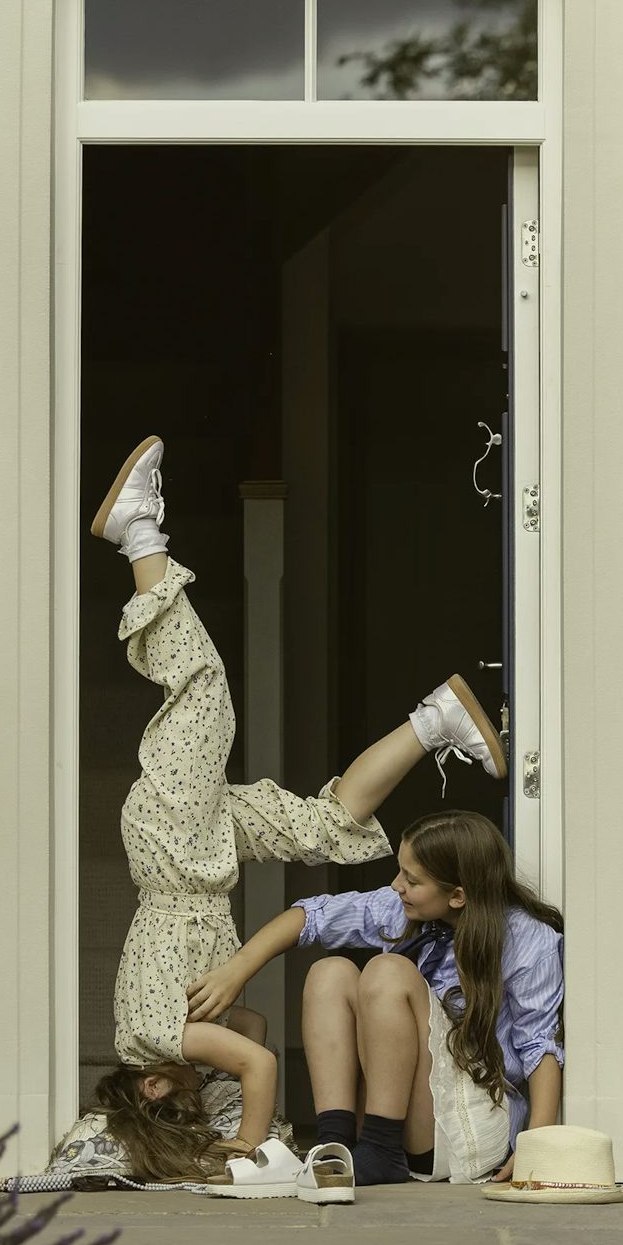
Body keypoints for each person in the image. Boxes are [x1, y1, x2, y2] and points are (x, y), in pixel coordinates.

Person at [85, 434, 509, 1188]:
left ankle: (138, 532)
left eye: (185, 1102)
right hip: (197, 856)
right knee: (325, 825)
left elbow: (256, 1063)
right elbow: (250, 1030)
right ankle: (434, 721)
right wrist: (220, 1026)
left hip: (176, 851)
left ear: (152, 1083)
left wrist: (246, 1144)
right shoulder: (173, 1038)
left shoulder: (157, 1035)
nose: (201, 1095)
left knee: (203, 692)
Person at [185, 809, 565, 1188]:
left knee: (388, 972)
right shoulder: (403, 907)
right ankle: (335, 1144)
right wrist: (235, 971)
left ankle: (381, 1151)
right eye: (400, 870)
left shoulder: (528, 940)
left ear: (458, 896)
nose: (397, 885)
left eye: (412, 880)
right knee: (330, 972)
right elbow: (311, 916)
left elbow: (540, 1049)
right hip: (408, 1115)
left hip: (467, 1125)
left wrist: (536, 1148)